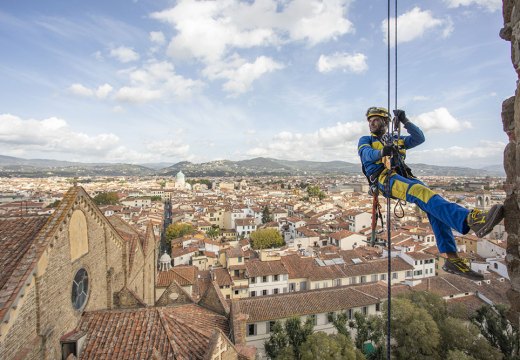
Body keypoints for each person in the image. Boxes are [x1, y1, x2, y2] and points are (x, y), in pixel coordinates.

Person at [358, 106, 504, 280]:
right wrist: (382, 152)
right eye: (370, 121)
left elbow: (419, 138)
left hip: (404, 177)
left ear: (385, 122)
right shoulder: (366, 139)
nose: (372, 124)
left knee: (434, 205)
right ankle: (470, 219)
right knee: (421, 192)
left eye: (376, 120)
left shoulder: (396, 139)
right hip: (385, 179)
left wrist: (406, 121)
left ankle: (452, 258)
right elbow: (366, 154)